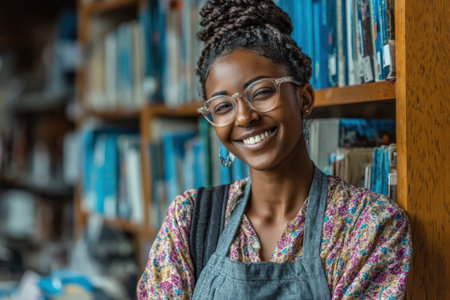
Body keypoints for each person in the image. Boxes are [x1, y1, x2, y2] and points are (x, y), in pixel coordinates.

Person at [137, 0, 412, 298]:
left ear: (304, 98)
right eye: (223, 106)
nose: (244, 117)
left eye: (262, 92)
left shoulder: (369, 225)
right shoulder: (189, 220)